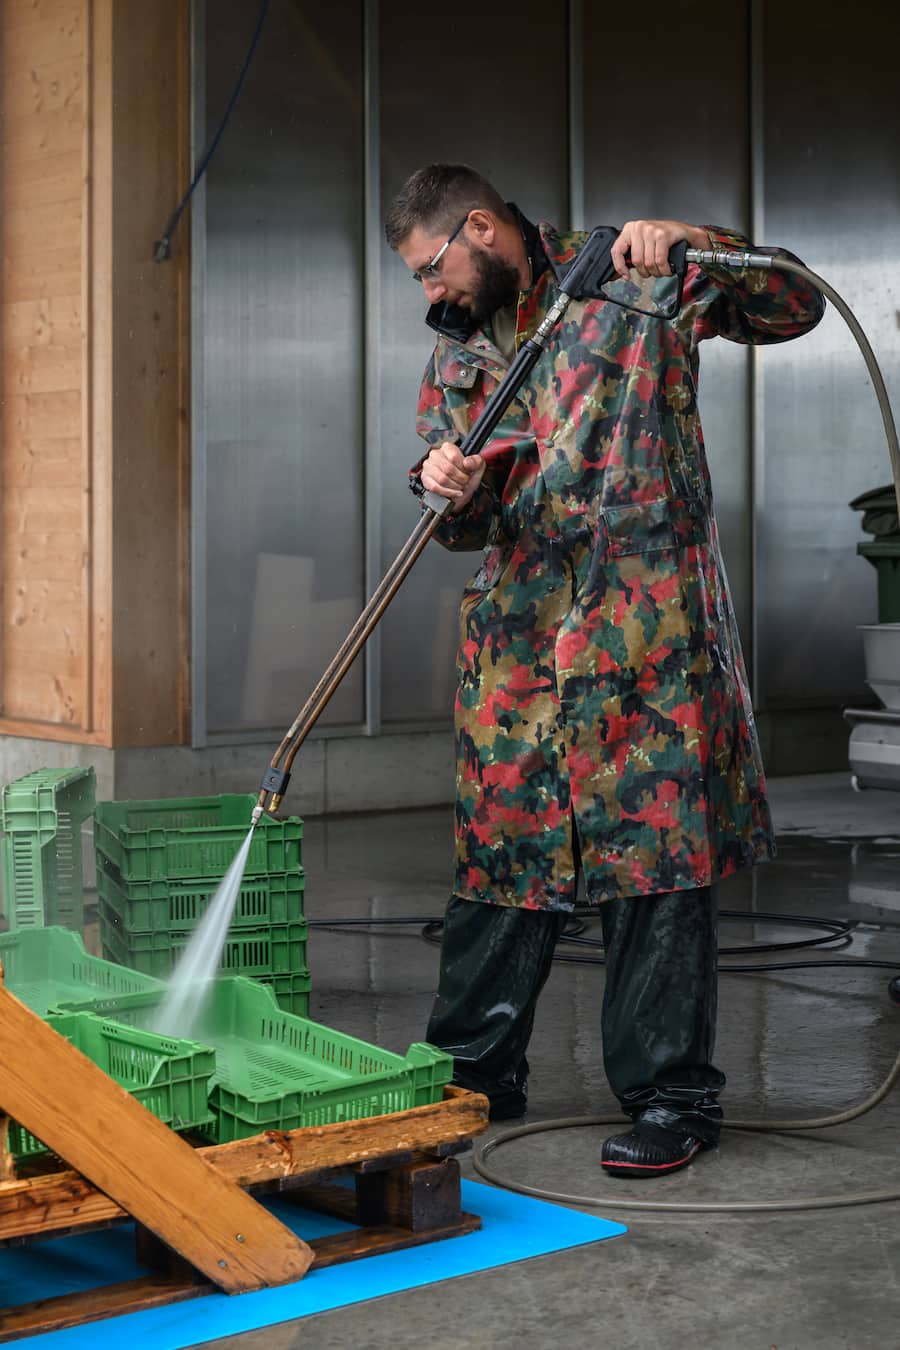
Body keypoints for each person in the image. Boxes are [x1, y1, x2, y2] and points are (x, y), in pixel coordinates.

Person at [384, 164, 824, 1178]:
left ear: (481, 229)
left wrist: (696, 238)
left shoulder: (634, 280)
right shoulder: (459, 359)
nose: (429, 295)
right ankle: (474, 1072)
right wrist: (441, 483)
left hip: (644, 637)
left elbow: (792, 302)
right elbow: (468, 521)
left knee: (652, 856)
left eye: (430, 270)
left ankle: (671, 1099)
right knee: (503, 854)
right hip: (520, 646)